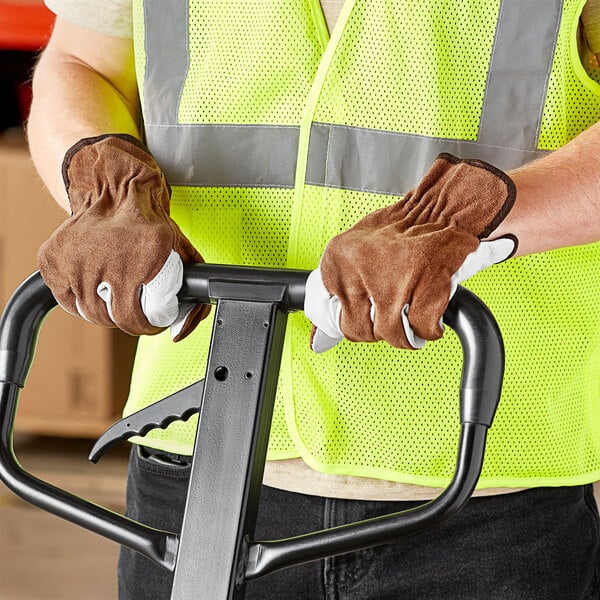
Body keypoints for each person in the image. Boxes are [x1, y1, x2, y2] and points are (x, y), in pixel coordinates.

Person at [27, 0, 600, 598]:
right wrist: (103, 186)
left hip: (485, 484)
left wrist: (462, 220)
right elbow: (82, 61)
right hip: (197, 460)